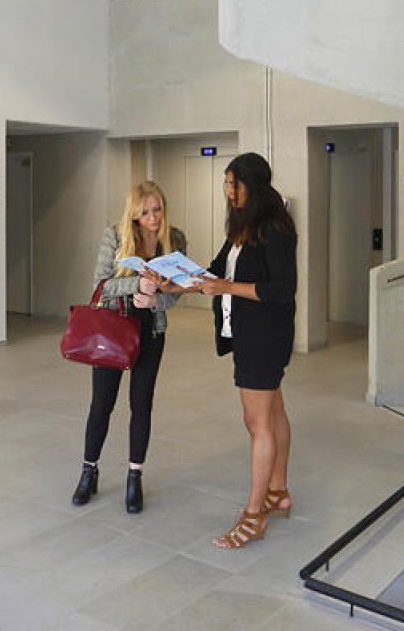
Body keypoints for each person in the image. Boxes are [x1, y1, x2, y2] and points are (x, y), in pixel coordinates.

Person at [190, 152, 298, 549]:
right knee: (274, 411)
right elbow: (217, 270)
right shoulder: (243, 226)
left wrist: (226, 288)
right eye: (225, 183)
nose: (228, 190)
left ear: (252, 185)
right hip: (247, 332)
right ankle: (277, 492)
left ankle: (254, 517)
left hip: (265, 336)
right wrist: (175, 280)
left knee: (258, 424)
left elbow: (281, 290)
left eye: (233, 183)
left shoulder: (275, 226)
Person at [71, 181, 185, 513]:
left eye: (157, 209)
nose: (153, 218)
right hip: (113, 330)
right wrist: (138, 283)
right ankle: (88, 471)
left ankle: (135, 477)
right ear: (133, 214)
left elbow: (178, 292)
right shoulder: (115, 236)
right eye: (145, 212)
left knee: (142, 405)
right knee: (101, 404)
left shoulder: (174, 240)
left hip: (151, 332)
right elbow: (100, 286)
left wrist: (156, 299)